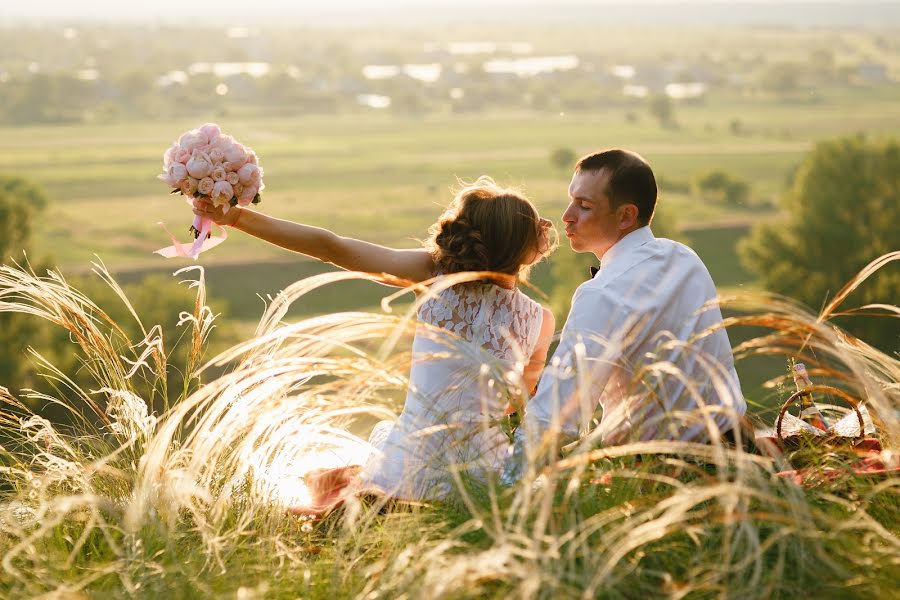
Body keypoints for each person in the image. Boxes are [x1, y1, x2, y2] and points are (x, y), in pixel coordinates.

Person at [192, 177, 557, 504]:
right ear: (527, 247)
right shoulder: (540, 320)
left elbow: (331, 246)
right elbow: (517, 404)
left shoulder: (435, 277)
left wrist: (237, 218)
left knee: (361, 466)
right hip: (484, 472)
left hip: (411, 462)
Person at [505, 149, 746, 481]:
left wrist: (504, 487)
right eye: (571, 201)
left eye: (584, 206)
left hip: (658, 478)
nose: (566, 216)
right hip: (739, 455)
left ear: (625, 216)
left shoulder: (601, 294)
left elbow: (556, 417)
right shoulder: (685, 257)